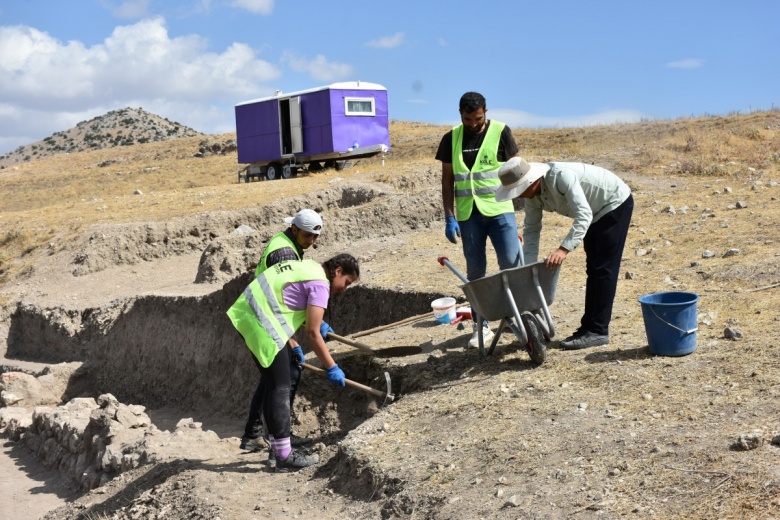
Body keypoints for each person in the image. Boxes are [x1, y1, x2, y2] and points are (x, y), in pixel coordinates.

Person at [227, 253, 360, 471]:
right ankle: (284, 456)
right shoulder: (320, 284)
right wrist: (332, 367)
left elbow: (289, 297)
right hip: (263, 322)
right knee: (281, 386)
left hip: (248, 313)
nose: (344, 289)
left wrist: (296, 341)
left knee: (273, 385)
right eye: (346, 282)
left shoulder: (308, 267)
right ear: (337, 271)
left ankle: (278, 450)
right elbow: (313, 334)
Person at [495, 157, 634, 350]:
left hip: (613, 203)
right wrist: (529, 268)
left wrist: (563, 249)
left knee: (603, 269)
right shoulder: (532, 197)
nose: (519, 196)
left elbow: (583, 214)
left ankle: (598, 331)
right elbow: (531, 230)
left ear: (531, 181)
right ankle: (589, 328)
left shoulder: (561, 177)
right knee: (593, 269)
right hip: (594, 212)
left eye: (519, 190)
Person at [240, 209, 334, 455]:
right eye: (307, 236)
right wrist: (293, 343)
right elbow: (279, 299)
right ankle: (278, 439)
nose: (311, 242)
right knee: (284, 377)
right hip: (265, 317)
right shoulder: (283, 253)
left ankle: (257, 434)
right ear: (294, 229)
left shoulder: (289, 244)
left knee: (273, 379)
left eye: (315, 237)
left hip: (264, 315)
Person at [435, 91, 523, 348]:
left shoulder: (501, 131)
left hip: (500, 211)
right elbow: (447, 179)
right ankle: (480, 324)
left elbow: (516, 167)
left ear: (486, 112)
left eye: (478, 118)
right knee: (476, 273)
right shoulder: (451, 138)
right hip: (468, 215)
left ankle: (518, 316)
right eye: (467, 119)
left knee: (511, 263)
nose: (473, 124)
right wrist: (449, 216)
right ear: (460, 114)